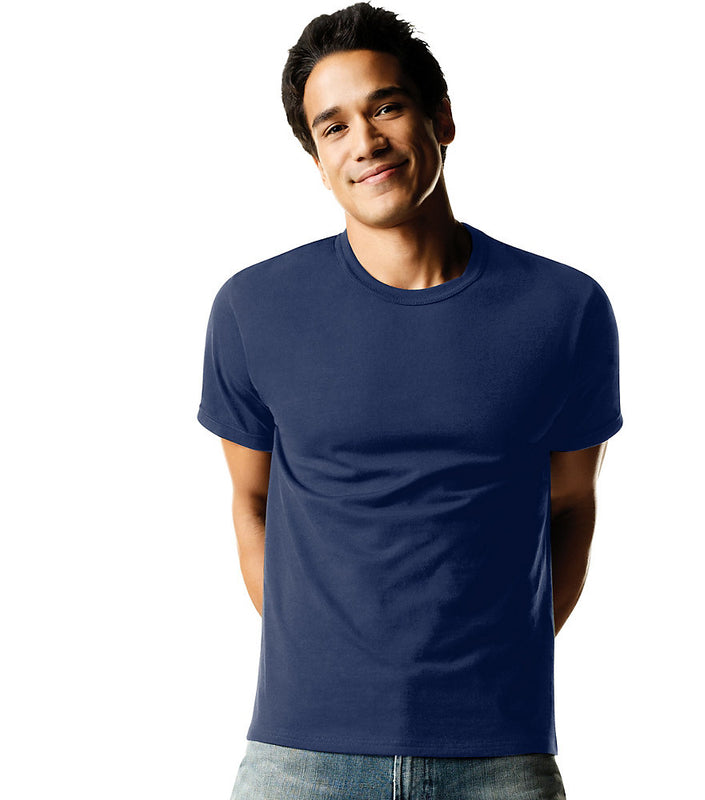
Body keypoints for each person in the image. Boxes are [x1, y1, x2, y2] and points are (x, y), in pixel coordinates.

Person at [197, 3, 623, 798]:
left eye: (386, 107)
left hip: (500, 760)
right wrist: (327, 663)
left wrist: (491, 668)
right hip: (299, 761)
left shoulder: (563, 309)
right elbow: (251, 502)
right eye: (333, 127)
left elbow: (571, 505)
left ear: (442, 118)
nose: (364, 142)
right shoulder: (254, 308)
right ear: (318, 160)